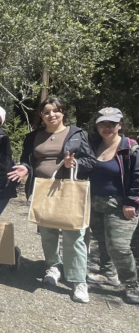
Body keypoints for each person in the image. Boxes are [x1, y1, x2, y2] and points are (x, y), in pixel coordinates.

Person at [8, 97, 96, 303]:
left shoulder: (77, 134)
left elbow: (91, 161)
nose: (51, 115)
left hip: (68, 191)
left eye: (56, 111)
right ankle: (53, 267)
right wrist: (25, 168)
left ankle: (78, 280)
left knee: (74, 237)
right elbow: (28, 160)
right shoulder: (33, 136)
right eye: (46, 111)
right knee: (47, 233)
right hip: (41, 191)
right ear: (41, 115)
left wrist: (72, 163)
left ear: (63, 112)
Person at [86, 107, 139, 304]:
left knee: (119, 246)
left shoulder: (130, 148)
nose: (107, 127)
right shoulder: (93, 144)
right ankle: (109, 274)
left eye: (112, 124)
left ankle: (132, 285)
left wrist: (132, 202)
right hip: (94, 201)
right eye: (102, 123)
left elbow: (137, 176)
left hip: (121, 204)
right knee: (102, 240)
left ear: (120, 125)